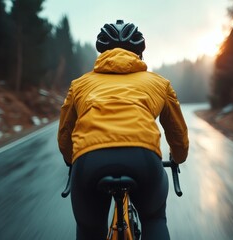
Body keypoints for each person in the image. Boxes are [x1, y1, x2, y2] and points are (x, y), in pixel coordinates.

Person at [58, 19, 189, 240]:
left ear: (101, 53)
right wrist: (178, 157)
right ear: (139, 53)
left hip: (89, 161)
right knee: (154, 218)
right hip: (143, 158)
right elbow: (178, 135)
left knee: (90, 230)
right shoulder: (159, 83)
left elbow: (64, 134)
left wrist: (71, 159)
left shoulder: (79, 85)